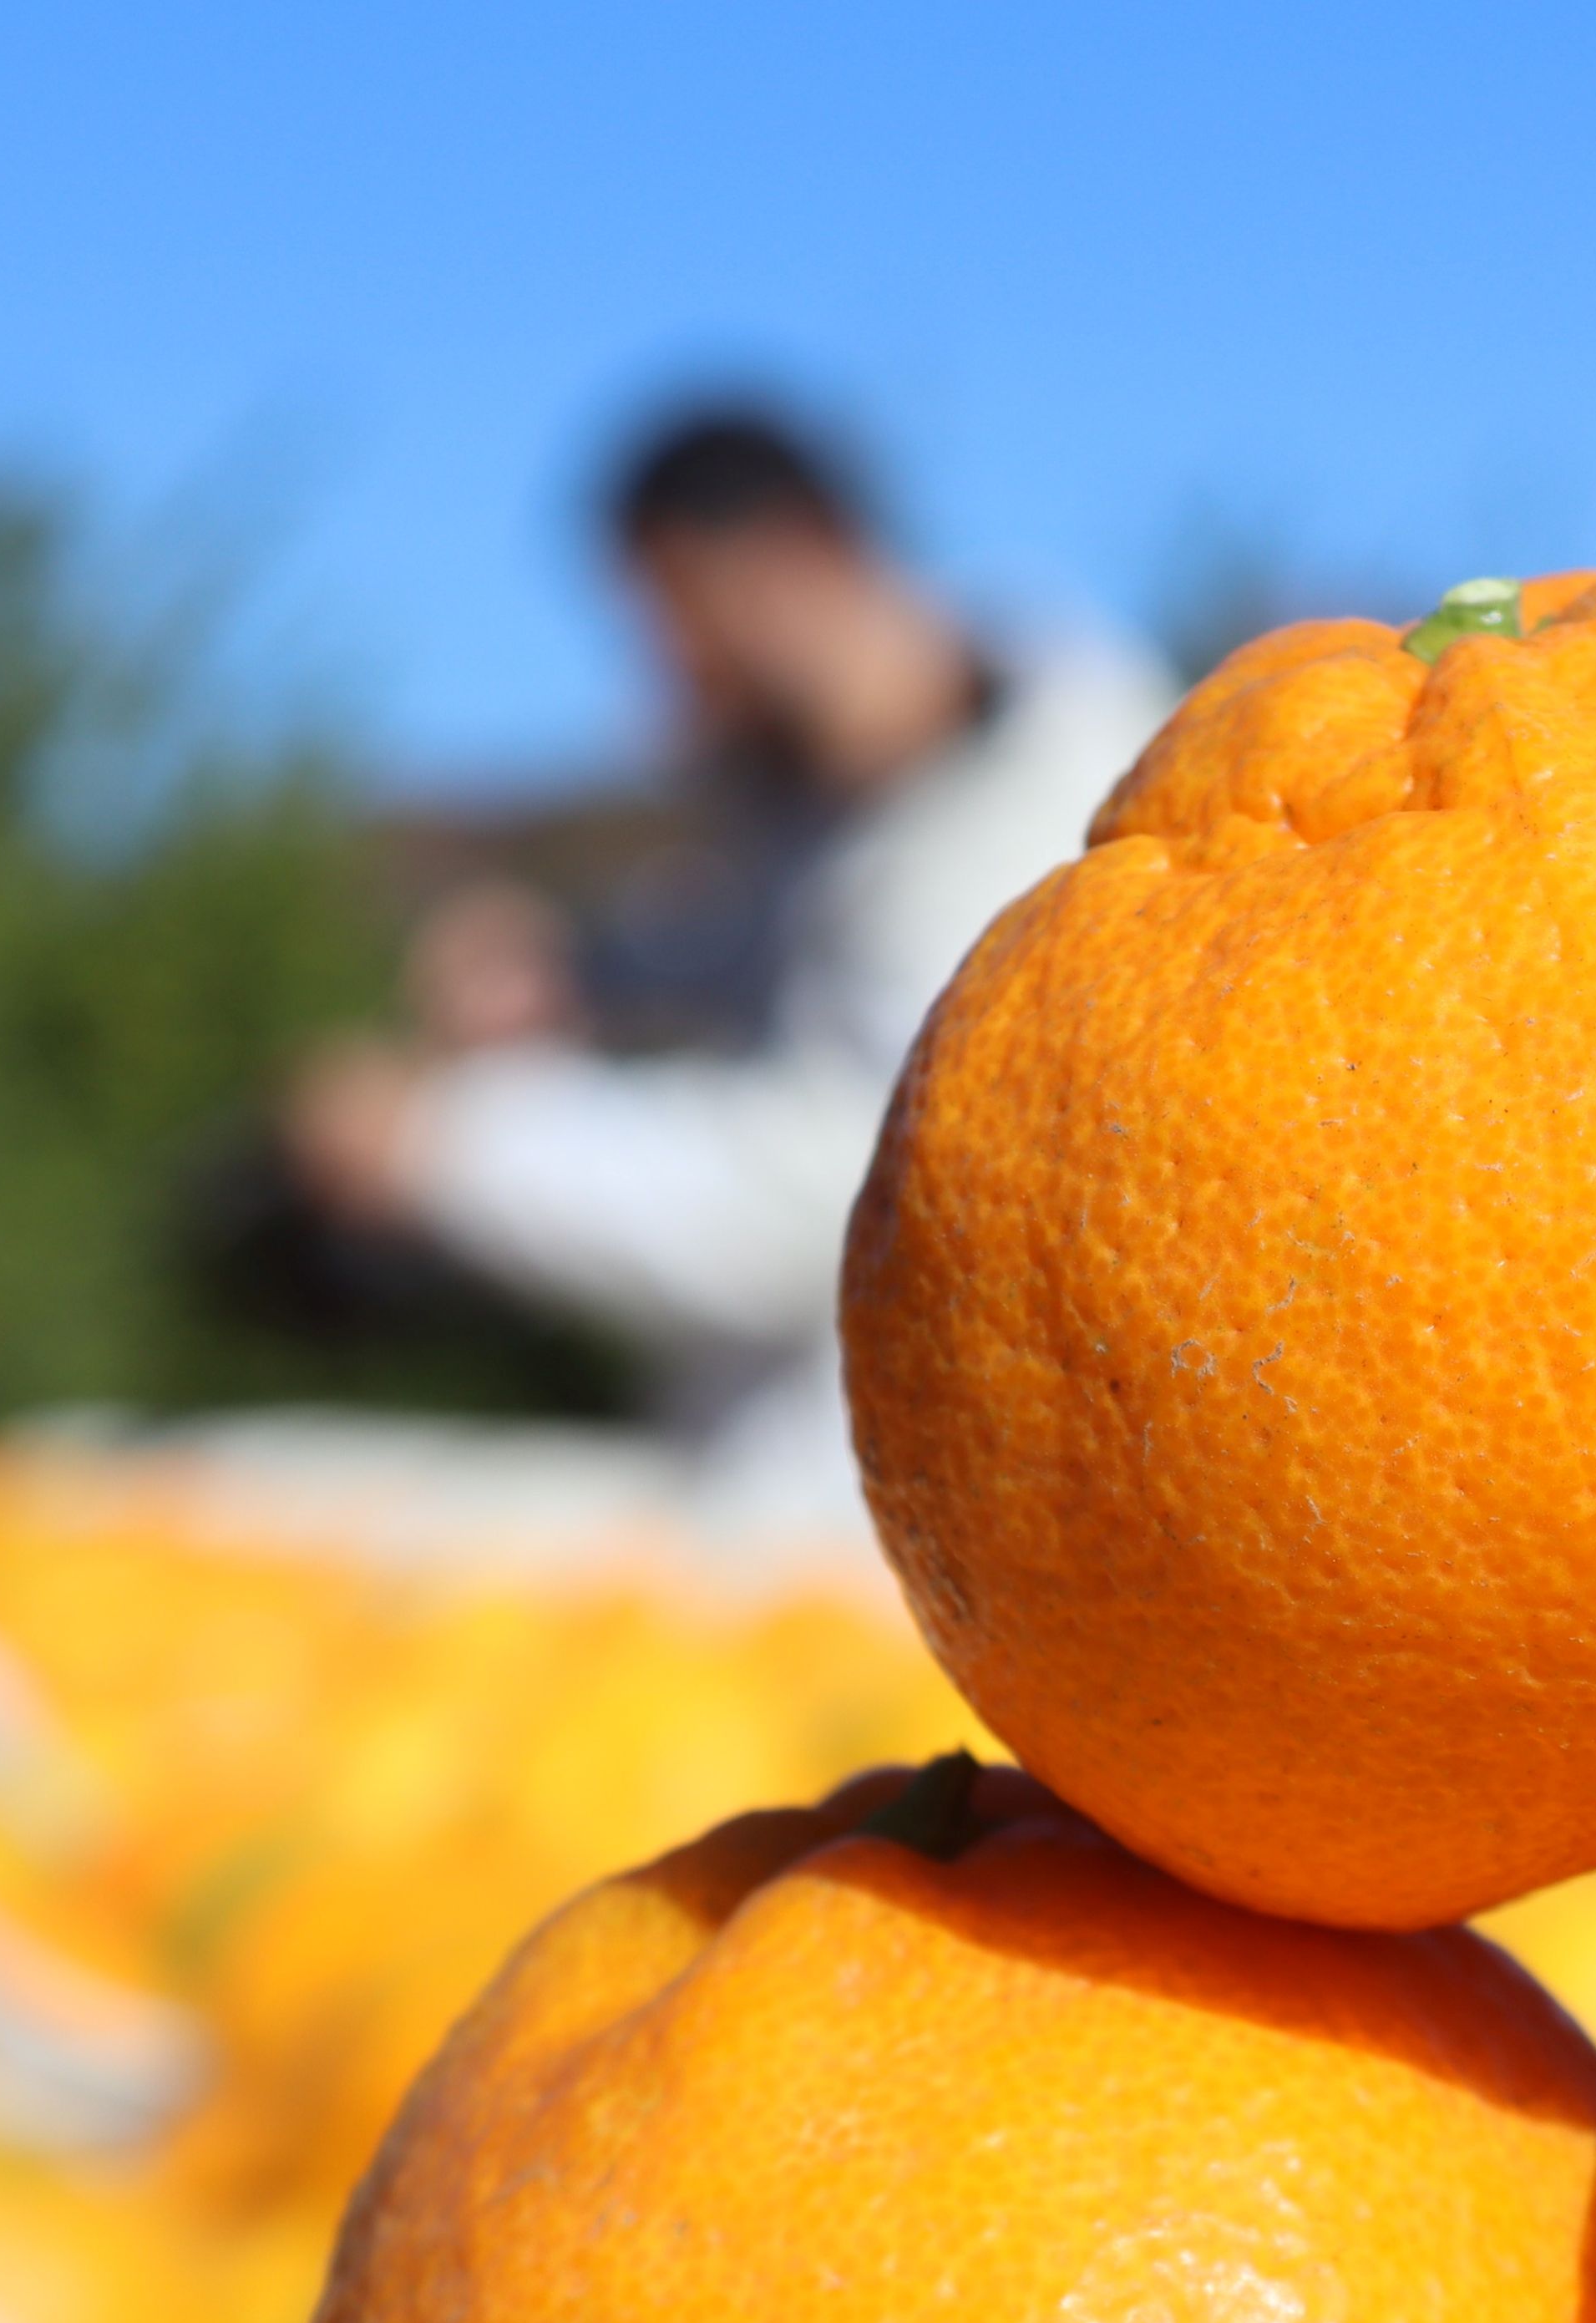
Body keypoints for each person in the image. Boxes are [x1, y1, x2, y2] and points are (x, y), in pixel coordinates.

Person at [288, 406, 1173, 1532]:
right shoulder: (837, 791)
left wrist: (443, 1147)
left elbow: (840, 1189)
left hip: (925, 1550)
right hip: (793, 1503)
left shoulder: (1066, 810)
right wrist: (575, 975)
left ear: (789, 556)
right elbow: (773, 950)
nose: (666, 680)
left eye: (676, 620)